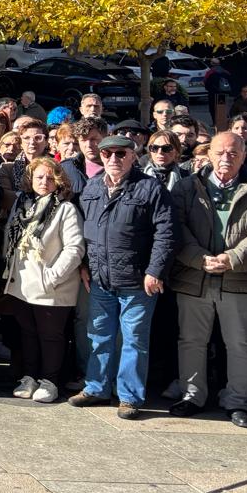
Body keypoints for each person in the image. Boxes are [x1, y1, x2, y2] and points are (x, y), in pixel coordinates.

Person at [69, 135, 176, 419]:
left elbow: (166, 233)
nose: (114, 159)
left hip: (138, 281)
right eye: (108, 154)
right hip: (100, 278)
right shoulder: (92, 187)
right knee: (99, 336)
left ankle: (129, 397)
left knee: (134, 341)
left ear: (133, 156)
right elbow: (84, 231)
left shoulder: (150, 188)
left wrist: (155, 271)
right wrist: (84, 264)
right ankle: (96, 387)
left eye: (121, 153)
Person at [169, 133, 247, 426]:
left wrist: (234, 258)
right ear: (209, 154)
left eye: (233, 153)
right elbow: (175, 228)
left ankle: (237, 402)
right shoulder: (186, 187)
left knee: (240, 344)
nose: (225, 158)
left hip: (240, 278)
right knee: (191, 341)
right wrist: (199, 258)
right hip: (195, 277)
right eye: (220, 152)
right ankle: (192, 396)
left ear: (243, 156)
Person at [1, 156, 85, 403]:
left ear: (58, 180)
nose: (44, 182)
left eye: (50, 177)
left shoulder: (65, 209)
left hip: (52, 287)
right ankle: (30, 377)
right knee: (28, 333)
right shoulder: (23, 204)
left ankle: (50, 381)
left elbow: (75, 248)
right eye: (39, 177)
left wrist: (52, 277)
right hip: (21, 284)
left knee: (51, 336)